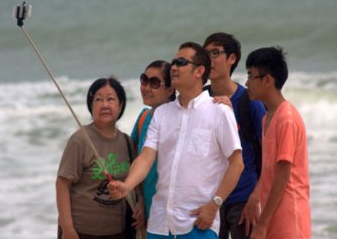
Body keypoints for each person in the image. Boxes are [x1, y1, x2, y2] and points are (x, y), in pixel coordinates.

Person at [109, 42, 244, 239]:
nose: (173, 67)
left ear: (199, 71)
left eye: (181, 62)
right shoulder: (161, 114)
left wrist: (215, 204)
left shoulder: (219, 111)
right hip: (159, 224)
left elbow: (237, 164)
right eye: (173, 62)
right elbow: (146, 158)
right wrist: (127, 186)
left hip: (199, 223)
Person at [56, 77, 144, 239]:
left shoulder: (126, 141)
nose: (105, 105)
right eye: (98, 99)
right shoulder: (80, 139)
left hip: (117, 232)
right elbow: (62, 184)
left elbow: (135, 181)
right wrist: (67, 228)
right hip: (81, 231)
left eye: (111, 99)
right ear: (91, 105)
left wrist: (140, 205)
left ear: (121, 105)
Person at [202, 32, 266, 239]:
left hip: (243, 199)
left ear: (232, 59)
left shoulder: (251, 102)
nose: (208, 59)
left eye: (215, 53)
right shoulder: (200, 99)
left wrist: (256, 198)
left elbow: (268, 153)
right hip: (209, 197)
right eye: (205, 54)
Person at [245, 47, 311, 239]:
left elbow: (283, 174)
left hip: (290, 218)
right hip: (272, 215)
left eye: (251, 76)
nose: (247, 83)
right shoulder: (267, 118)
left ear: (268, 80)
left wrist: (262, 224)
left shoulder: (286, 118)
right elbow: (268, 172)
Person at [131, 60, 176, 220]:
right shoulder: (143, 117)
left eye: (155, 83)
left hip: (175, 215)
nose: (146, 88)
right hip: (148, 211)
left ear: (170, 90)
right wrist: (140, 199)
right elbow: (134, 161)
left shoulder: (180, 121)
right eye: (144, 80)